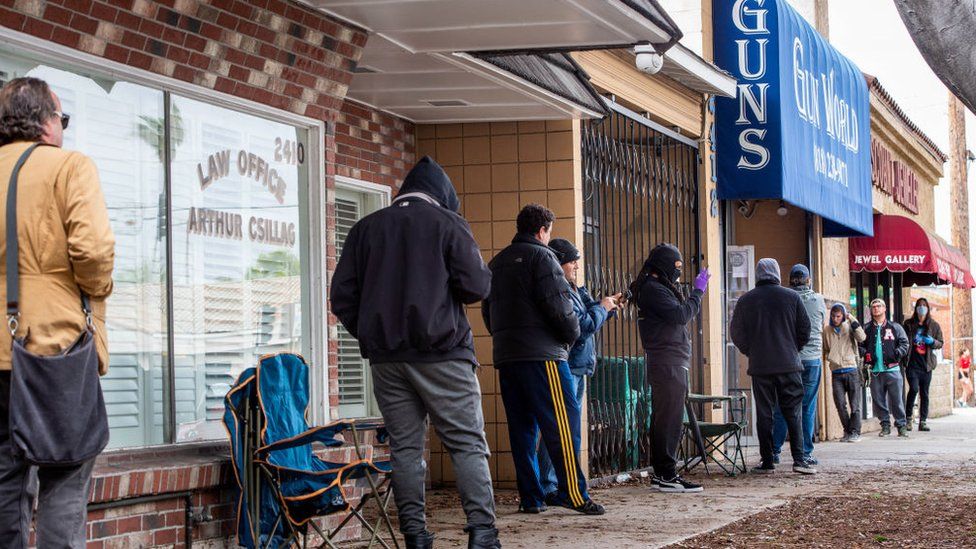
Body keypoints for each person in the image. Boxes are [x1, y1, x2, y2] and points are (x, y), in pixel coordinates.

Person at [331, 156, 500, 549]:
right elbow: (477, 286)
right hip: (443, 353)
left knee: (405, 448)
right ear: (442, 197)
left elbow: (342, 297)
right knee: (466, 443)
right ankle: (483, 533)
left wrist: (374, 334)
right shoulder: (447, 224)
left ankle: (415, 536)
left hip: (388, 360)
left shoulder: (364, 228)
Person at [0, 77, 116, 548]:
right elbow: (92, 251)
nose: (63, 129)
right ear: (46, 123)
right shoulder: (69, 167)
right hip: (54, 348)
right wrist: (98, 288)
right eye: (62, 119)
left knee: (5, 481)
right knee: (65, 476)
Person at [482, 204, 605, 516]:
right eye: (549, 231)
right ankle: (574, 494)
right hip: (544, 356)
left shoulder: (497, 263)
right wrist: (570, 335)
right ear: (541, 231)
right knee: (562, 425)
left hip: (508, 357)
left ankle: (531, 497)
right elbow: (560, 308)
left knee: (522, 429)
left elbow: (488, 312)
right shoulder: (543, 257)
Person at [535, 238, 619, 502]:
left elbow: (590, 312)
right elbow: (581, 326)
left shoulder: (574, 288)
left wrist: (608, 308)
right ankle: (548, 484)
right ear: (560, 263)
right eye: (572, 261)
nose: (576, 266)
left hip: (580, 365)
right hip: (568, 365)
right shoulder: (560, 290)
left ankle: (555, 482)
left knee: (565, 427)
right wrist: (602, 309)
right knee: (560, 428)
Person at [630, 243, 710, 492]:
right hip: (667, 362)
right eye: (675, 267)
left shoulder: (656, 287)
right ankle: (666, 474)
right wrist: (698, 293)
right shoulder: (653, 289)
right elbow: (681, 315)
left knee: (668, 417)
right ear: (663, 266)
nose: (678, 273)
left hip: (670, 361)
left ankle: (663, 473)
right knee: (669, 418)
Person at [729, 258, 816, 475]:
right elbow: (805, 329)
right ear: (777, 273)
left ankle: (768, 461)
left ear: (758, 275)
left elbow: (736, 333)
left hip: (761, 366)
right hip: (789, 364)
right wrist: (791, 348)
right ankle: (799, 460)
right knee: (793, 412)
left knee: (765, 413)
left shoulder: (746, 300)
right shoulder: (792, 297)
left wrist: (752, 351)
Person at [772, 265, 827, 465]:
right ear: (808, 280)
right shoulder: (819, 300)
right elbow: (820, 324)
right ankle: (804, 452)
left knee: (781, 406)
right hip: (812, 360)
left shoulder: (782, 300)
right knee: (807, 407)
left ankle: (774, 451)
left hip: (788, 360)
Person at [860, 298, 911, 438]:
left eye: (879, 306)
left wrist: (897, 354)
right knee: (878, 401)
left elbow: (905, 343)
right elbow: (860, 345)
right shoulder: (866, 328)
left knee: (897, 400)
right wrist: (866, 354)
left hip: (893, 370)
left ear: (884, 309)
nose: (876, 308)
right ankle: (885, 426)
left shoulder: (895, 327)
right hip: (875, 371)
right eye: (873, 306)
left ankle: (901, 426)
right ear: (871, 310)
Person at [823, 304, 866, 443]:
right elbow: (825, 349)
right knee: (840, 404)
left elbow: (862, 337)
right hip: (836, 372)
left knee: (855, 404)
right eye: (833, 316)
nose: (835, 319)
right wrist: (830, 357)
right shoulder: (827, 330)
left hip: (851, 370)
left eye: (838, 316)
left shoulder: (849, 326)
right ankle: (847, 431)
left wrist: (851, 319)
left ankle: (855, 432)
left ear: (843, 315)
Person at [903, 298, 944, 432]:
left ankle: (923, 421)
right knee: (914, 389)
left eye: (924, 306)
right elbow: (903, 340)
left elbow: (940, 343)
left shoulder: (934, 325)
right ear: (916, 309)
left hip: (926, 365)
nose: (921, 308)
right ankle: (908, 419)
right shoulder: (908, 324)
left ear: (928, 308)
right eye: (919, 306)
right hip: (912, 364)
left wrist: (932, 341)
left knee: (924, 393)